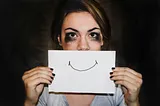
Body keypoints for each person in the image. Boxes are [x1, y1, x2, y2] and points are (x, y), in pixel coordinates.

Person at [22, 0, 143, 106]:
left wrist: (133, 102)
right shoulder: (43, 89)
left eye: (93, 35)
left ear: (102, 40)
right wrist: (30, 102)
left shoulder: (119, 88)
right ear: (60, 40)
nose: (83, 46)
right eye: (72, 35)